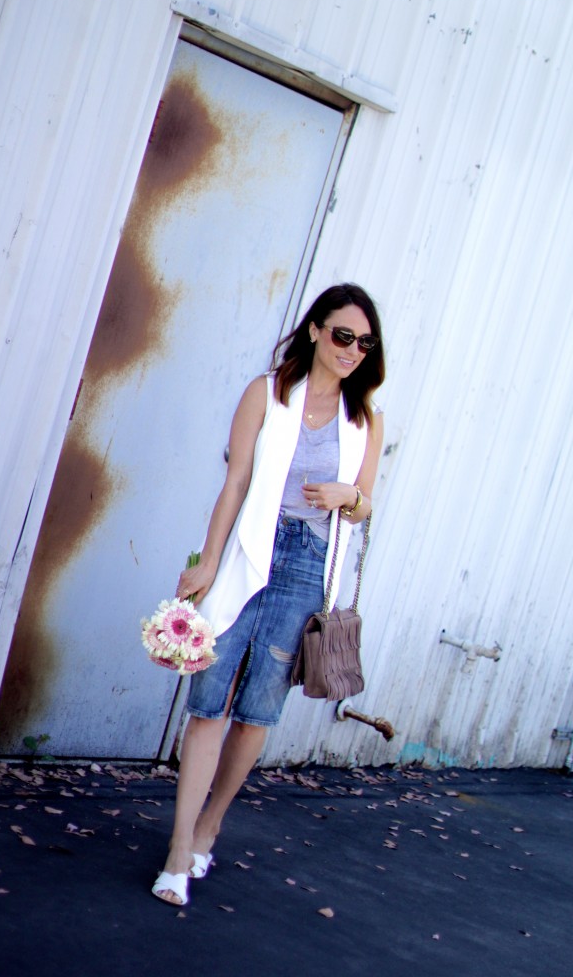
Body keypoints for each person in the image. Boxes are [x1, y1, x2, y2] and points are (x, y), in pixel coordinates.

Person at [152, 282, 385, 905]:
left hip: (309, 568)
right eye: (343, 335)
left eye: (364, 342)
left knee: (257, 713)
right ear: (315, 331)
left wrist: (348, 497)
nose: (353, 349)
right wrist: (206, 563)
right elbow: (235, 483)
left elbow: (364, 506)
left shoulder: (365, 420)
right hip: (251, 552)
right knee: (209, 700)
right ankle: (179, 848)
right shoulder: (267, 393)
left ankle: (209, 825)